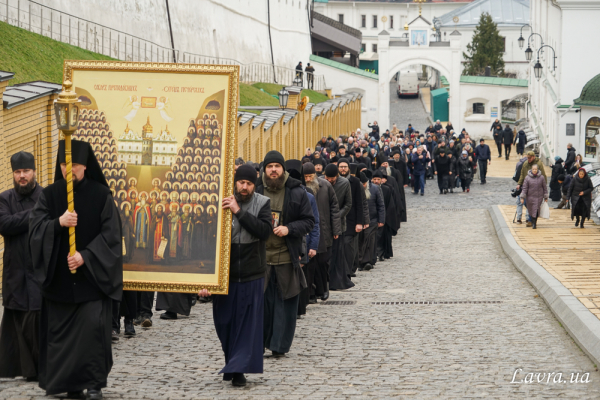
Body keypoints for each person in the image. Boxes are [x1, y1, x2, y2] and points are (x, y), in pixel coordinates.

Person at [29, 140, 122, 399]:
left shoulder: (102, 195)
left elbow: (112, 236)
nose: (69, 170)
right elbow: (35, 231)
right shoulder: (49, 195)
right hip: (59, 283)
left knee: (91, 335)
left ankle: (93, 385)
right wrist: (58, 223)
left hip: (91, 282)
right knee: (61, 338)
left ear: (85, 166)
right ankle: (67, 384)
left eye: (75, 165)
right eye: (64, 165)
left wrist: (86, 256)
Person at [198, 164, 272, 387]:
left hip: (252, 272)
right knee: (225, 322)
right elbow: (206, 238)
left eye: (249, 184)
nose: (245, 187)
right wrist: (205, 279)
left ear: (254, 184)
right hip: (224, 274)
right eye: (241, 182)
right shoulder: (221, 200)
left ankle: (239, 370)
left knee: (246, 325)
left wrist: (238, 212)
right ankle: (231, 362)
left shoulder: (263, 203)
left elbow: (264, 232)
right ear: (235, 182)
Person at [256, 151, 315, 357]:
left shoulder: (296, 191)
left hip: (285, 257)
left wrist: (289, 229)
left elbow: (309, 220)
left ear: (283, 169)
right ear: (264, 168)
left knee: (284, 304)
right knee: (261, 305)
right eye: (270, 166)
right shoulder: (254, 189)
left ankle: (279, 346)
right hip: (260, 258)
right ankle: (259, 343)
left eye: (277, 166)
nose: (273, 170)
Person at [0, 151, 43, 381]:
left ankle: (38, 369)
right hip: (15, 270)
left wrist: (25, 219)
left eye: (26, 171)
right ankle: (20, 369)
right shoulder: (5, 199)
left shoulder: (46, 196)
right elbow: (5, 224)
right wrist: (36, 214)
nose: (22, 176)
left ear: (34, 171)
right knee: (17, 317)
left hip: (39, 269)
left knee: (36, 317)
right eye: (18, 172)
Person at [302, 163, 341, 300]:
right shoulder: (301, 188)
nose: (307, 179)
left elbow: (334, 208)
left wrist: (336, 228)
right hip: (309, 230)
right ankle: (311, 293)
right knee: (310, 264)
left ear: (315, 175)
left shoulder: (326, 186)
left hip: (324, 230)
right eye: (305, 176)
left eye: (310, 176)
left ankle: (323, 288)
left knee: (323, 262)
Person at [324, 164, 353, 291]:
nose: (330, 181)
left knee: (337, 253)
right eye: (327, 178)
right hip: (324, 224)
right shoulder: (320, 182)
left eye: (332, 179)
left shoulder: (345, 183)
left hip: (338, 223)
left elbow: (348, 204)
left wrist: (336, 216)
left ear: (337, 176)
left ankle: (335, 280)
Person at [360, 172, 385, 271]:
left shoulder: (375, 189)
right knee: (362, 241)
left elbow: (381, 205)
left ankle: (368, 261)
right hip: (361, 220)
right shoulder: (357, 189)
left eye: (364, 184)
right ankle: (361, 262)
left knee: (370, 240)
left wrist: (381, 219)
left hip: (373, 219)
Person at [520, 164, 548, 229]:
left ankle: (534, 223)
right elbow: (525, 188)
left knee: (536, 209)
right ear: (531, 169)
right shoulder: (527, 178)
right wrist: (522, 197)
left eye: (536, 169)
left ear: (537, 170)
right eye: (533, 169)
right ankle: (533, 221)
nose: (534, 170)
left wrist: (545, 197)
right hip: (530, 197)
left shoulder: (541, 177)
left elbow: (544, 187)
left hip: (539, 197)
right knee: (531, 210)